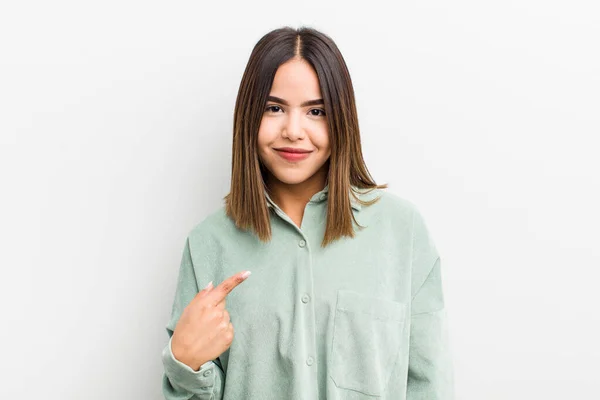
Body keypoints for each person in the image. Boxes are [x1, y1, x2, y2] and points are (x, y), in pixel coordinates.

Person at [161, 26, 454, 400]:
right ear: (249, 116)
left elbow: (430, 385)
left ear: (342, 119)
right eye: (274, 108)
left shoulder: (403, 232)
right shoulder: (206, 244)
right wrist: (185, 362)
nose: (294, 131)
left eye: (316, 111)